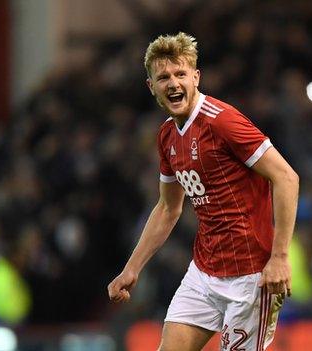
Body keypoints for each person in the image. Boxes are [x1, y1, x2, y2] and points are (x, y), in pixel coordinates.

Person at [107, 32, 299, 351]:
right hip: (204, 272)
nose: (173, 83)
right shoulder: (167, 136)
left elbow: (286, 178)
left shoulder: (222, 121)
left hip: (251, 275)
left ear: (196, 77)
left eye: (180, 74)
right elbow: (168, 208)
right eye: (163, 77)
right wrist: (132, 268)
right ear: (151, 86)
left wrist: (279, 257)